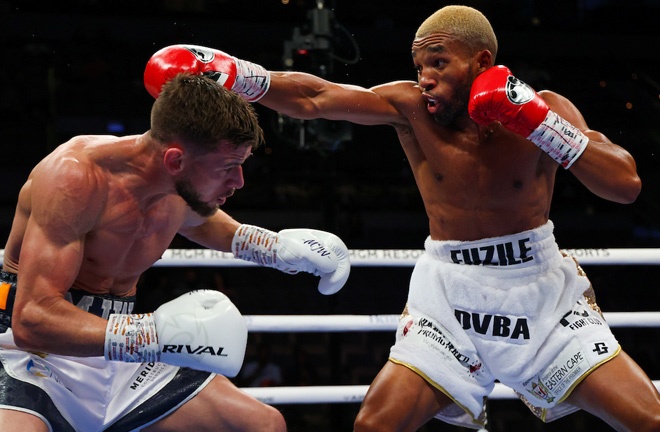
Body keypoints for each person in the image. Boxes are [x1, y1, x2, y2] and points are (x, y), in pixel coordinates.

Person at [143, 5, 660, 432]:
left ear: (482, 61)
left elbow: (625, 184)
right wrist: (236, 74)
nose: (425, 79)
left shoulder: (546, 110)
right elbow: (316, 97)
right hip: (450, 296)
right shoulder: (411, 110)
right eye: (419, 67)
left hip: (540, 289)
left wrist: (537, 123)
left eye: (438, 63)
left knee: (649, 418)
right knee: (375, 426)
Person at [0, 72, 351, 432]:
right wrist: (149, 335)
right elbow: (32, 320)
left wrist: (273, 248)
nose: (239, 182)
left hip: (121, 354)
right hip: (30, 355)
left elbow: (202, 221)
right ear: (175, 161)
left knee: (263, 424)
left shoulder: (178, 188)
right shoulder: (75, 178)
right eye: (228, 167)